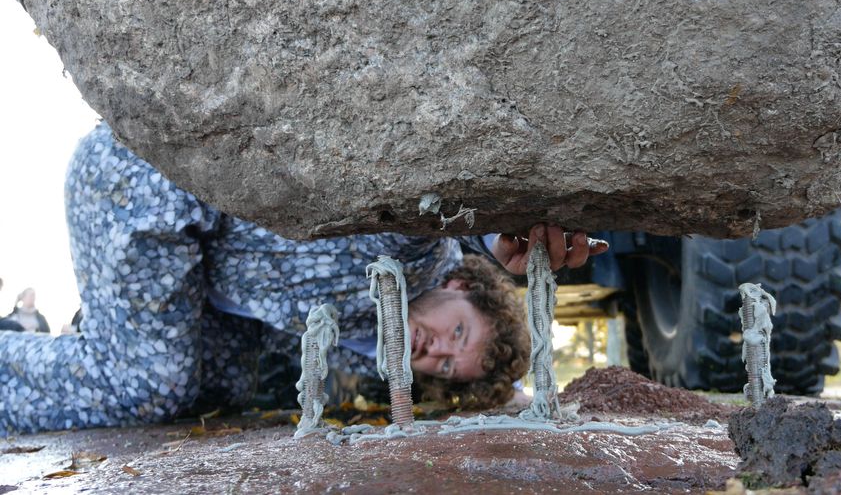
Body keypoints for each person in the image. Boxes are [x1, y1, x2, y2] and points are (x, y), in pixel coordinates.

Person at [0, 122, 607, 435]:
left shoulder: (372, 331)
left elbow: (498, 391)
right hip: (150, 186)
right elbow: (425, 209)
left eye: (447, 365)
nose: (437, 350)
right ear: (459, 289)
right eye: (457, 333)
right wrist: (493, 236)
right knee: (152, 384)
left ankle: (97, 348)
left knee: (224, 386)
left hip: (191, 244)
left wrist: (517, 400)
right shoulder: (416, 258)